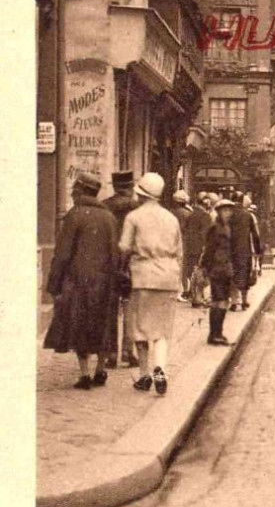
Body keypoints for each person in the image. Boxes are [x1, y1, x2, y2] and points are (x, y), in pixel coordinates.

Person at [44, 172, 119, 389]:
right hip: (105, 281)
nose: (72, 193)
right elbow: (116, 252)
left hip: (78, 281)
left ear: (80, 191)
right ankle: (101, 370)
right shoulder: (109, 217)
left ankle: (85, 374)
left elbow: (63, 254)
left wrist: (54, 283)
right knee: (103, 323)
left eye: (74, 189)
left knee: (80, 325)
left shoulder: (74, 215)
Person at [119, 172, 182, 395]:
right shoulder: (171, 218)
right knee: (162, 330)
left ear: (141, 194)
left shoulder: (133, 217)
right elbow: (179, 251)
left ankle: (145, 375)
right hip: (168, 278)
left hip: (142, 277)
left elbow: (125, 247)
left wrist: (122, 269)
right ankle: (160, 369)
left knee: (140, 328)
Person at [103, 169, 140, 368]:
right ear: (130, 187)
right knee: (130, 308)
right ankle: (128, 351)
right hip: (132, 264)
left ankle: (110, 354)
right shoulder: (136, 207)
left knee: (110, 309)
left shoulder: (105, 206)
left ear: (115, 186)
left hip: (109, 264)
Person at [200, 198, 235, 344]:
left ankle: (216, 333)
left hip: (226, 268)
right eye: (224, 210)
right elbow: (209, 249)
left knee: (222, 301)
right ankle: (215, 334)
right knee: (219, 301)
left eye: (229, 210)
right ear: (219, 212)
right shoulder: (216, 228)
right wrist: (205, 268)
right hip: (217, 268)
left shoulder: (229, 228)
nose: (227, 213)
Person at [229, 193, 256, 311]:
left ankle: (234, 302)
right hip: (245, 250)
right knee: (245, 274)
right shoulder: (248, 215)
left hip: (230, 249)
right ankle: (244, 301)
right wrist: (256, 251)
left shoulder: (228, 214)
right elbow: (254, 234)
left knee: (232, 274)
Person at [184, 194, 212, 306]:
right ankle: (198, 297)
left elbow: (186, 230)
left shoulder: (191, 215)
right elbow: (206, 234)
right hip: (200, 248)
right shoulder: (205, 216)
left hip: (190, 247)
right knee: (201, 273)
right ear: (205, 204)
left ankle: (195, 296)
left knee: (192, 271)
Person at [170, 189, 194, 302]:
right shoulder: (188, 213)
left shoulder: (169, 212)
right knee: (182, 268)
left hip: (169, 242)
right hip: (183, 242)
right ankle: (181, 291)